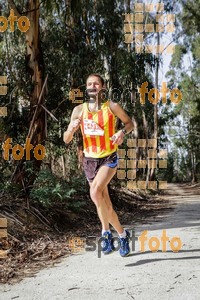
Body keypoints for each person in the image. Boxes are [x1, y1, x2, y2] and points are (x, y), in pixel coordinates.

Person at [63, 74, 134, 257]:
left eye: (96, 83)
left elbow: (129, 123)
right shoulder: (79, 110)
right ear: (86, 88)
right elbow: (66, 139)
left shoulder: (112, 107)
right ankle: (122, 234)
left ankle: (105, 233)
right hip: (89, 161)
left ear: (102, 87)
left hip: (108, 158)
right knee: (103, 202)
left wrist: (121, 133)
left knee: (95, 192)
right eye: (89, 84)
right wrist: (71, 129)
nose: (93, 86)